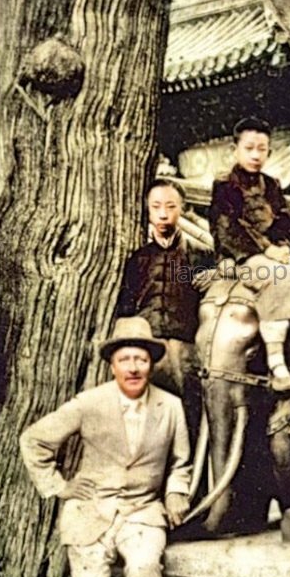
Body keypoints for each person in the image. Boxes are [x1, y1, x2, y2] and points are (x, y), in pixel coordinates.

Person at [19, 317, 191, 577]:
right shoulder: (88, 403)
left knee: (145, 569)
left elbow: (181, 462)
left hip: (143, 513)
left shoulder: (172, 408)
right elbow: (34, 440)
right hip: (91, 512)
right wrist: (59, 486)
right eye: (125, 359)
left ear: (152, 364)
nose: (133, 367)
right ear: (112, 365)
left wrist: (176, 491)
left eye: (141, 359)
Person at [209, 116, 290, 392]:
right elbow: (227, 227)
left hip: (273, 252)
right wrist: (267, 249)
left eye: (262, 149)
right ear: (234, 149)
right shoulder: (225, 185)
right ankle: (276, 363)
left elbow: (286, 221)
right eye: (249, 148)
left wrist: (285, 246)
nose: (255, 155)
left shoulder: (272, 185)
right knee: (275, 276)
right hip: (239, 254)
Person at [115, 178, 204, 441]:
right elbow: (126, 306)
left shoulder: (198, 256)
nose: (163, 214)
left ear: (182, 209)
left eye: (171, 206)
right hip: (146, 348)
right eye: (156, 207)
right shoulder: (138, 259)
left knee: (191, 419)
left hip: (186, 350)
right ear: (148, 210)